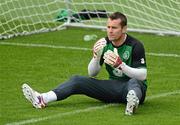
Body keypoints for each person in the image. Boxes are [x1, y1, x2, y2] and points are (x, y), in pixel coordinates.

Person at [22, 12, 147, 115]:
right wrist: (96, 57)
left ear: (124, 29)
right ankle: (42, 98)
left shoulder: (135, 45)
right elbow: (92, 73)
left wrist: (121, 66)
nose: (110, 31)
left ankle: (132, 103)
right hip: (113, 87)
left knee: (134, 83)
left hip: (134, 89)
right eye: (108, 27)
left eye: (114, 28)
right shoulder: (104, 43)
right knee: (78, 80)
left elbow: (142, 76)